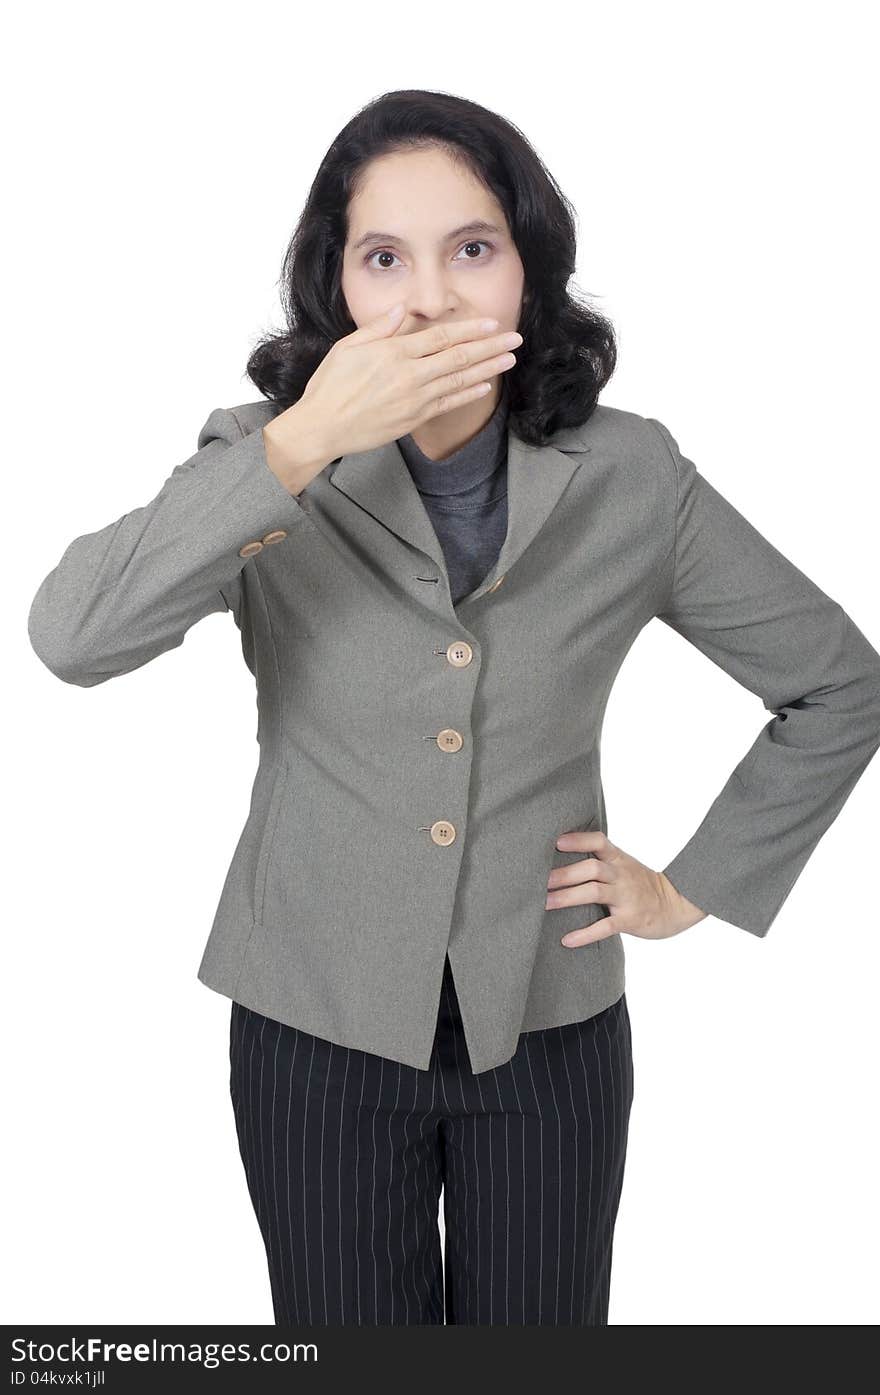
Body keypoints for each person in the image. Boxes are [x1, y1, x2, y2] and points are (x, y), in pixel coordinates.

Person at [27, 89, 880, 1327]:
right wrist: (304, 437)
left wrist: (691, 887)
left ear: (527, 273)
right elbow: (72, 637)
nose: (428, 300)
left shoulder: (632, 475)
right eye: (384, 260)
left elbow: (838, 682)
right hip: (310, 1023)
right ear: (341, 289)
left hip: (548, 1026)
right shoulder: (268, 457)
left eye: (471, 249)